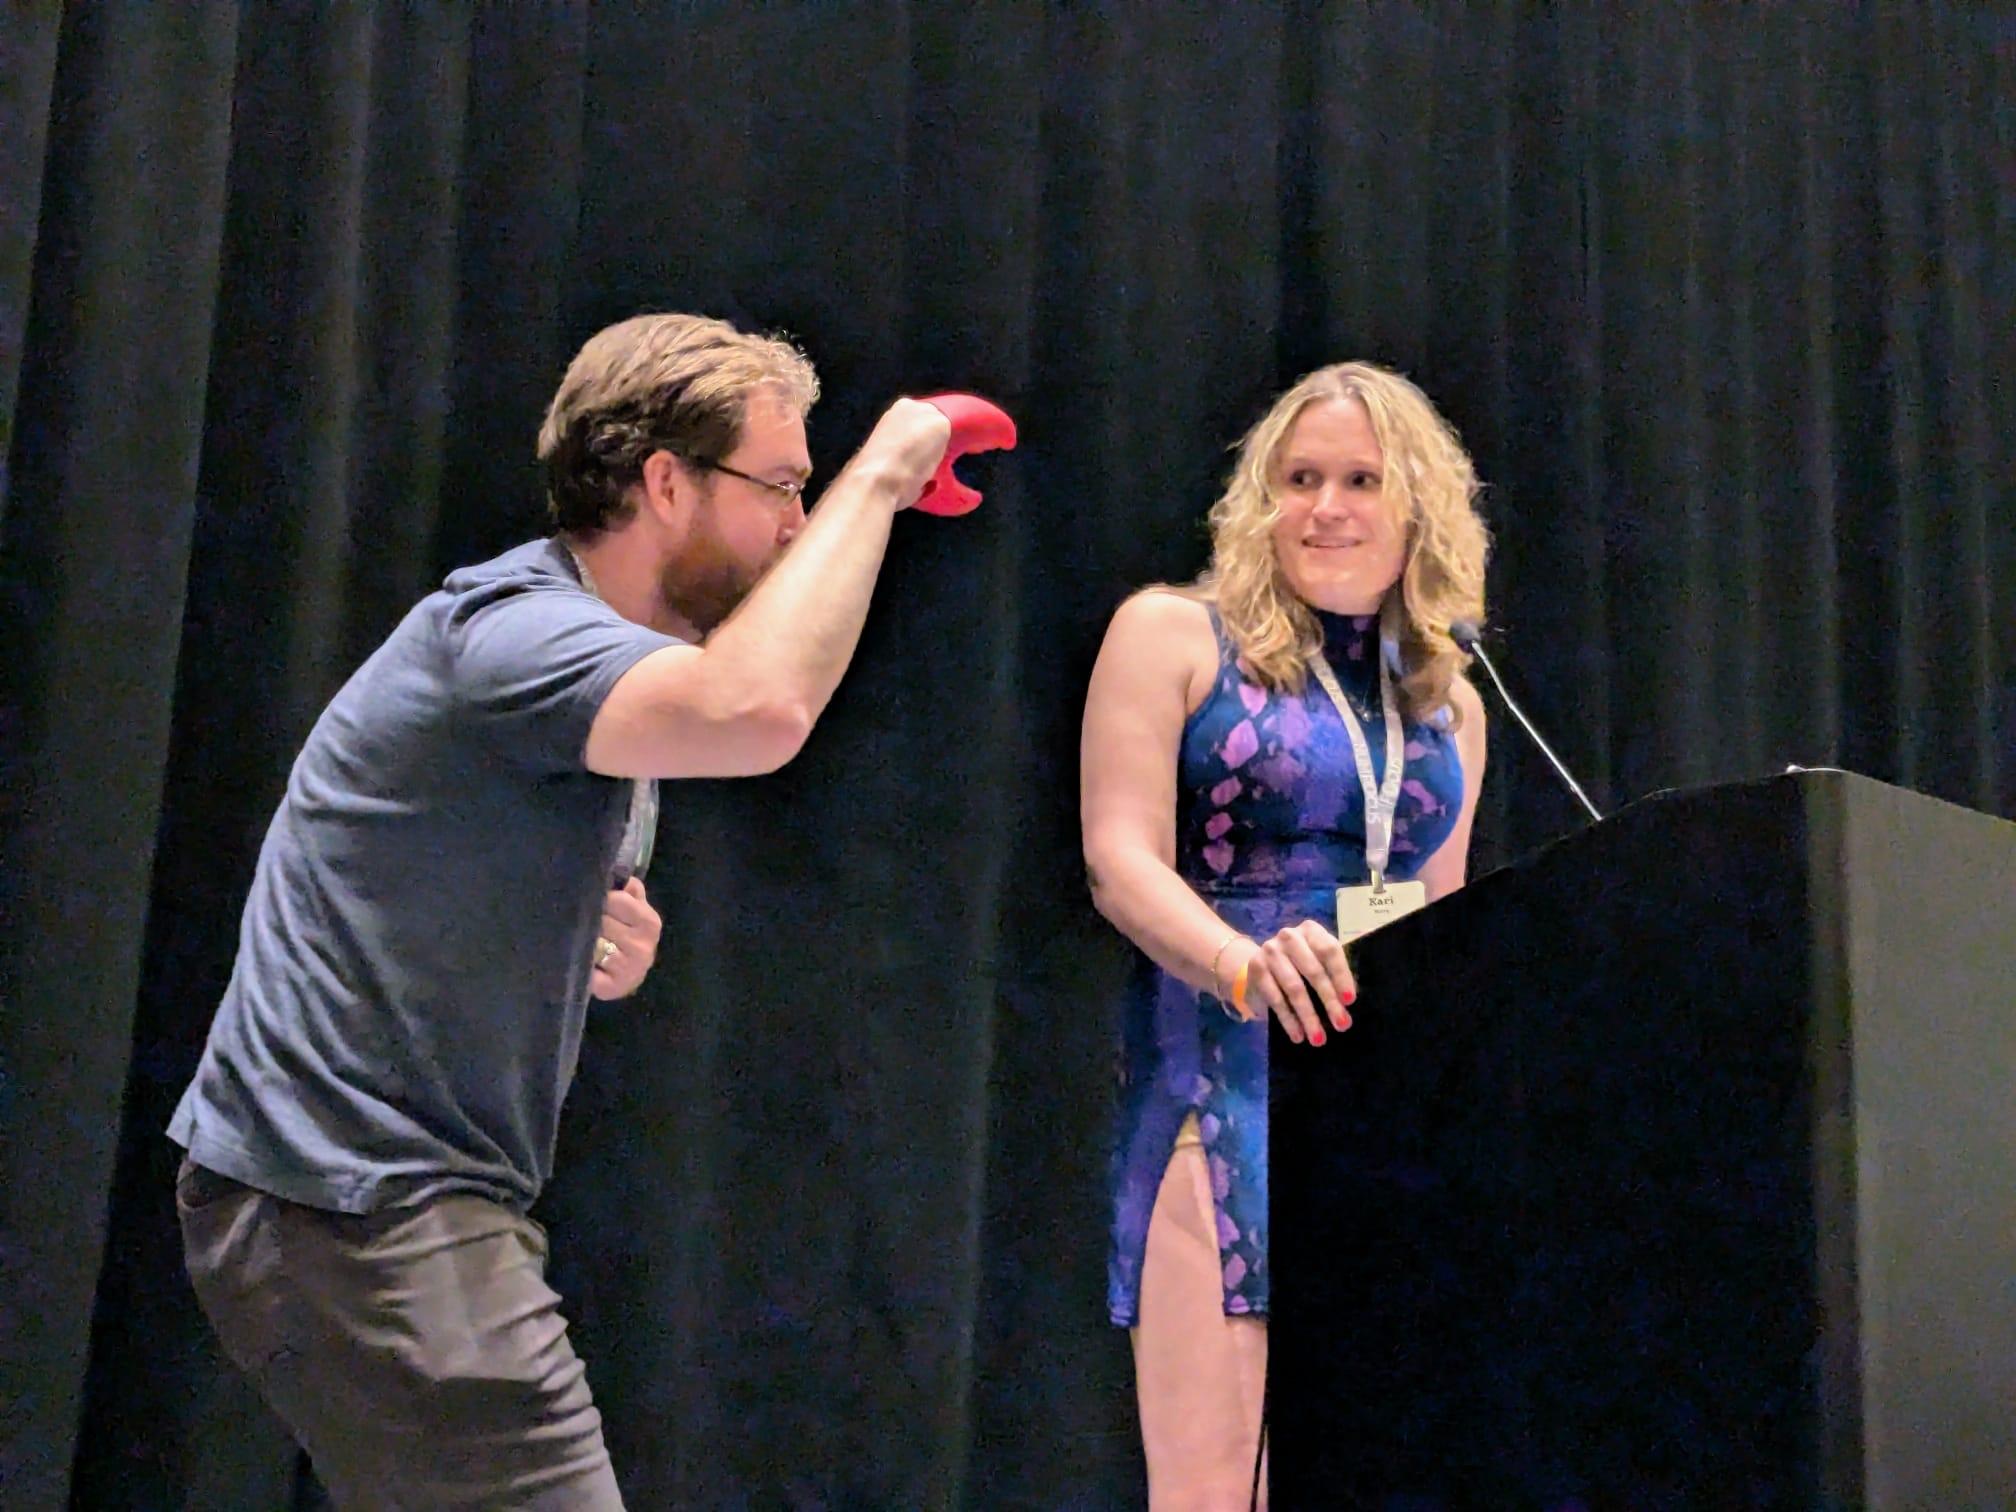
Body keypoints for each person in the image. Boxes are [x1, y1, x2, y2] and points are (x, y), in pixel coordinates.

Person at [167, 313, 953, 1508]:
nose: (798, 525)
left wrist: (587, 937)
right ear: (664, 483)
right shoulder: (512, 633)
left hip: (381, 1207)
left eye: (810, 492)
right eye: (782, 486)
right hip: (352, 1204)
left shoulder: (605, 664)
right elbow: (760, 712)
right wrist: (880, 480)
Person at [1080, 361, 1491, 1508]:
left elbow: (1442, 922)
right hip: (1218, 1084)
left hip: (1385, 1107)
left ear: (1419, 507)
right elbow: (1119, 859)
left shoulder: (1450, 700)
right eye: (1299, 478)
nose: (1326, 507)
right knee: (1216, 1485)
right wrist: (1241, 965)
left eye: (1361, 479)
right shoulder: (1171, 634)